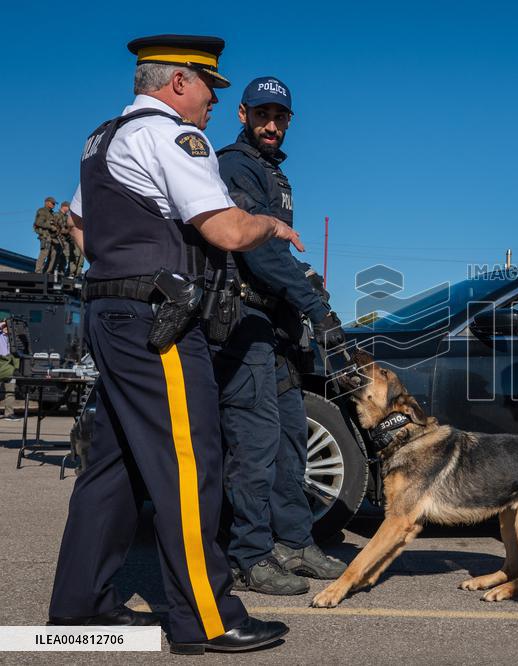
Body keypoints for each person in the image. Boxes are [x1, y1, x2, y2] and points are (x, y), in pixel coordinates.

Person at [47, 34, 303, 655]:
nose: (212, 102)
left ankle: (81, 609)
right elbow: (226, 229)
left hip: (111, 314)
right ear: (178, 82)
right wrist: (270, 223)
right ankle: (207, 619)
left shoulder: (104, 137)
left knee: (114, 466)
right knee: (191, 466)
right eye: (208, 88)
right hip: (159, 322)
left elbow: (78, 224)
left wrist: (121, 267)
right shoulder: (174, 136)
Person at [213, 76, 347, 595]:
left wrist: (305, 289)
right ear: (243, 114)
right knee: (255, 447)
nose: (271, 125)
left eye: (280, 117)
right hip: (244, 325)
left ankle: (294, 542)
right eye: (262, 115)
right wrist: (316, 308)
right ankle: (248, 556)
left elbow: (282, 256)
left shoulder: (273, 172)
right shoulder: (235, 165)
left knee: (292, 440)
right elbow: (259, 250)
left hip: (276, 328)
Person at [0, 314, 18, 421]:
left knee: (10, 392)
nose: (7, 328)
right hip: (1, 363)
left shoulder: (13, 337)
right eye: (6, 326)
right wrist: (4, 324)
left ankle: (9, 413)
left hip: (10, 366)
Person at [33, 197, 58, 273]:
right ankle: (38, 271)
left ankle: (47, 272)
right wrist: (51, 226)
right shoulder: (42, 211)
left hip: (51, 236)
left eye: (54, 204)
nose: (53, 205)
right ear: (47, 202)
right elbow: (38, 222)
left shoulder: (51, 213)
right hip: (45, 235)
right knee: (44, 252)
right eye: (52, 203)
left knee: (53, 254)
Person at [52, 201, 74, 275]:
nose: (68, 210)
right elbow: (54, 226)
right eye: (68, 208)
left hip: (65, 239)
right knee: (56, 255)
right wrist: (65, 231)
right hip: (58, 238)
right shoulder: (56, 215)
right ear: (64, 207)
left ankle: (61, 271)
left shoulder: (67, 217)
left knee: (65, 256)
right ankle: (53, 270)